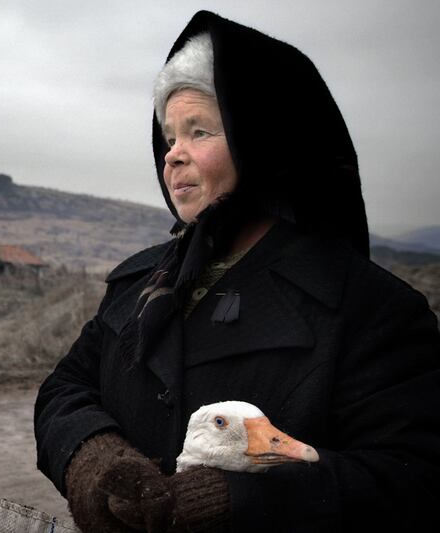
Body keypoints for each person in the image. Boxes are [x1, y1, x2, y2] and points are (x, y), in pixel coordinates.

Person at [34, 11, 440, 533]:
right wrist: (95, 461)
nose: (172, 155)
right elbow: (65, 387)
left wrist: (230, 501)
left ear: (265, 142)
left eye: (198, 131)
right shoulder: (140, 286)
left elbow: (414, 477)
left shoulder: (369, 310)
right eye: (169, 136)